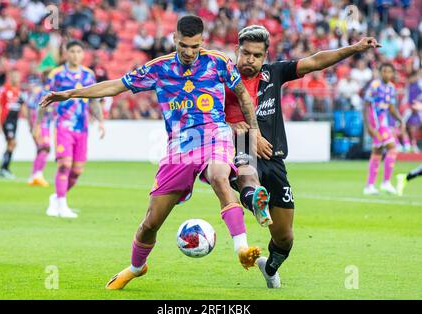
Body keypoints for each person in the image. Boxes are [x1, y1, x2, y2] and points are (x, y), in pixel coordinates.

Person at [40, 16, 269, 290]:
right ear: (174, 39)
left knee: (220, 176)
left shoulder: (218, 62)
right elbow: (115, 86)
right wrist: (71, 94)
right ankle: (136, 267)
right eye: (184, 45)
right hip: (180, 147)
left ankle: (241, 248)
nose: (189, 52)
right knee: (151, 222)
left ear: (202, 43)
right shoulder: (158, 68)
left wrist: (253, 133)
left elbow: (243, 95)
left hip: (214, 134)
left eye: (195, 47)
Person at [224, 25, 381, 288]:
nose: (249, 59)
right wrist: (231, 127)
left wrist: (354, 48)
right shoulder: (224, 78)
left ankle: (270, 267)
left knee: (285, 238)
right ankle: (255, 203)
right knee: (246, 173)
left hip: (273, 159)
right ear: (237, 51)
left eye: (256, 55)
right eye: (245, 53)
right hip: (239, 148)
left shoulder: (274, 74)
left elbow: (316, 61)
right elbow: (202, 112)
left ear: (265, 57)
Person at [34, 40, 105, 218]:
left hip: (82, 128)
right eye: (72, 51)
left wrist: (102, 121)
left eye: (78, 51)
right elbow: (44, 100)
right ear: (66, 53)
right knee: (64, 165)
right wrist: (39, 124)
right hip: (63, 126)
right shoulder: (56, 74)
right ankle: (62, 205)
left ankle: (56, 199)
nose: (75, 55)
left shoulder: (89, 75)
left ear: (83, 54)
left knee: (77, 171)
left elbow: (94, 101)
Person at [363, 63, 404, 195]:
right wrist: (368, 126)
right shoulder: (375, 86)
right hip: (375, 122)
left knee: (377, 152)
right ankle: (386, 182)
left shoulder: (391, 88)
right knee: (392, 148)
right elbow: (366, 105)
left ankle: (369, 186)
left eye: (389, 72)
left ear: (392, 74)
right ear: (380, 72)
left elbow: (392, 108)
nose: (387, 74)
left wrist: (400, 119)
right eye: (384, 71)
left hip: (383, 122)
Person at [0, 70, 26, 179]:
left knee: (11, 144)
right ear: (10, 77)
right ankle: (4, 168)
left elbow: (22, 106)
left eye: (17, 76)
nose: (16, 78)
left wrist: (28, 118)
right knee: (13, 143)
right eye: (14, 76)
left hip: (14, 120)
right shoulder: (4, 89)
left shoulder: (19, 91)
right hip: (6, 120)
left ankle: (3, 168)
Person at [28, 71, 53, 187]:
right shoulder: (40, 91)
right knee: (45, 147)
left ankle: (35, 176)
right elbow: (31, 108)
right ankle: (37, 175)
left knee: (41, 149)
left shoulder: (52, 90)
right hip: (40, 124)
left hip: (46, 124)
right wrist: (34, 126)